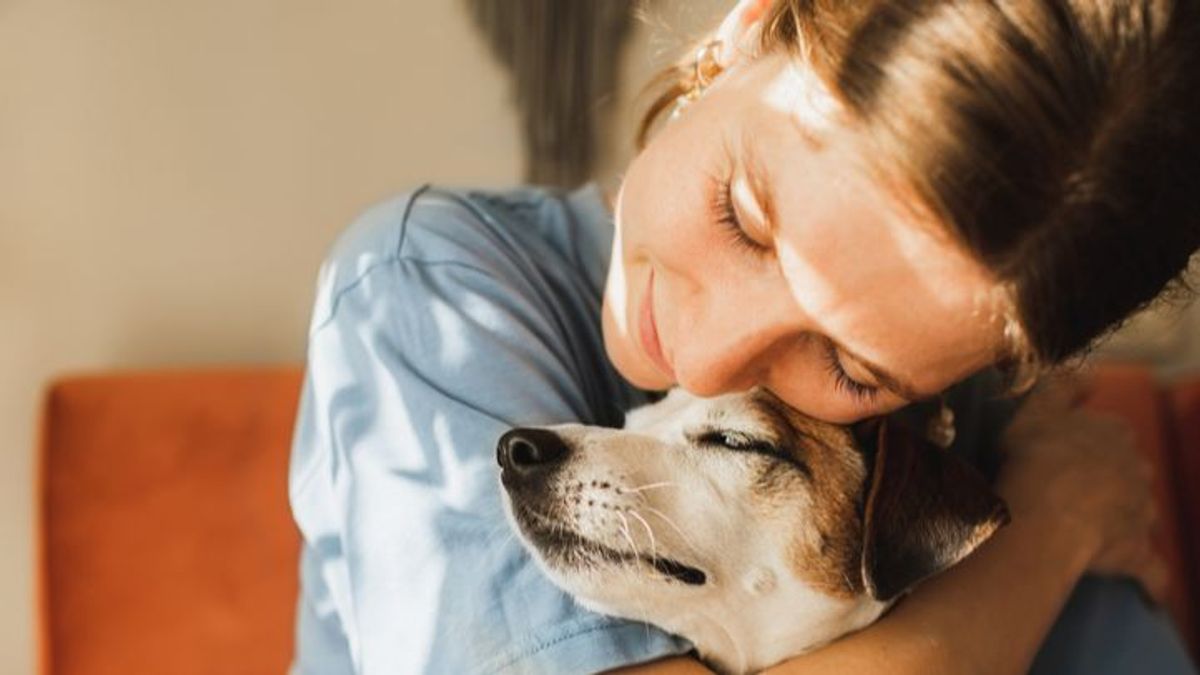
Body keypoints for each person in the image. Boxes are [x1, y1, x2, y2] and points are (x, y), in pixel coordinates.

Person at [287, 0, 1200, 672]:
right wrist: (1046, 535)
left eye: (852, 366)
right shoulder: (430, 286)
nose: (707, 358)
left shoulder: (964, 436)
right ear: (746, 33)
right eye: (748, 218)